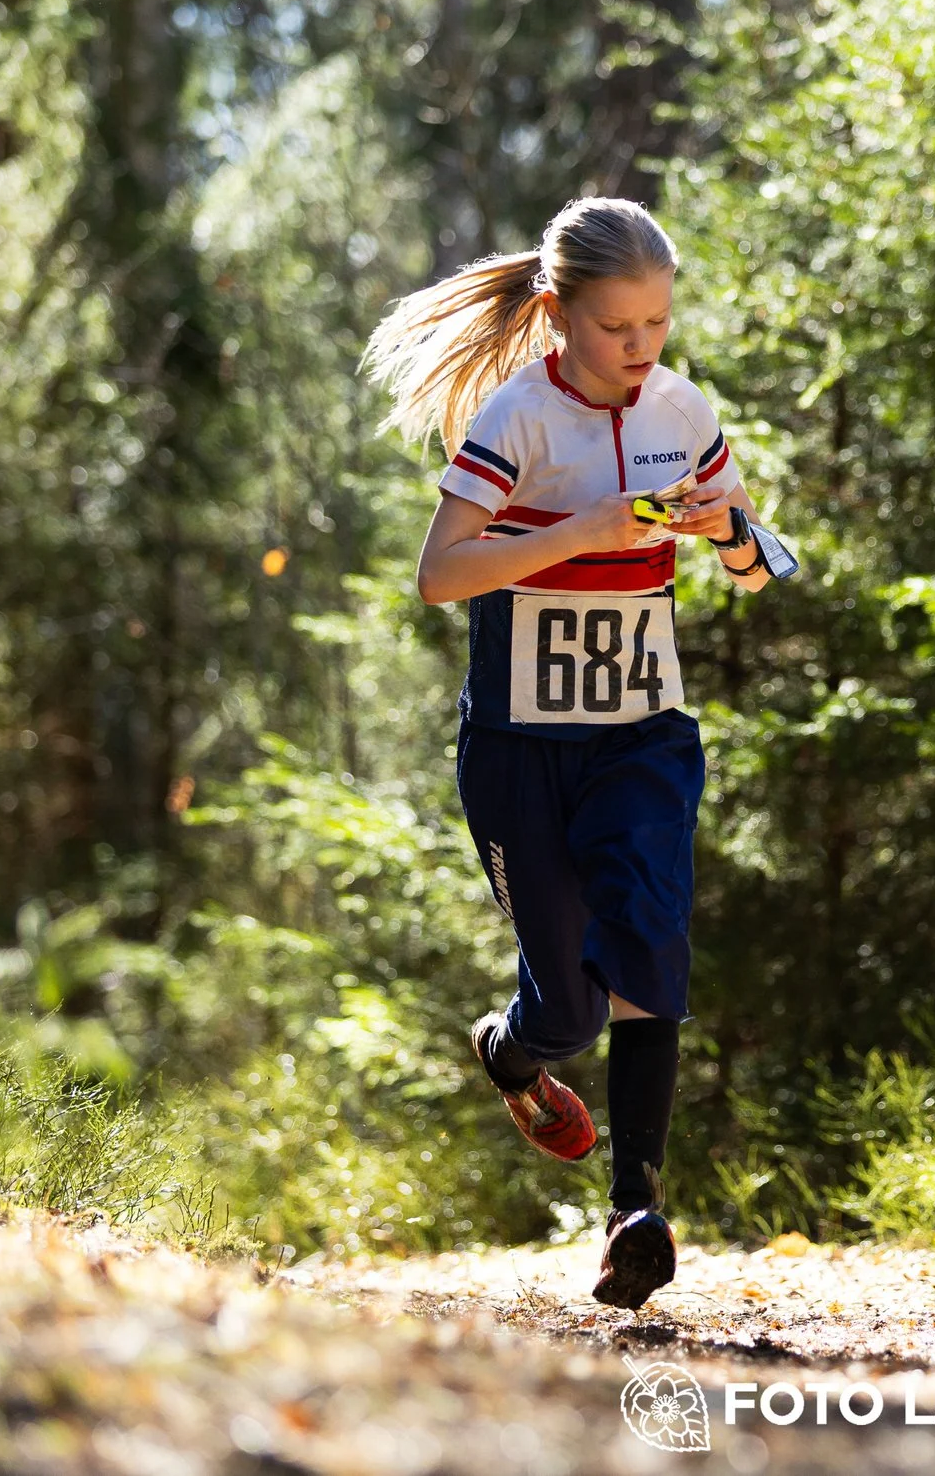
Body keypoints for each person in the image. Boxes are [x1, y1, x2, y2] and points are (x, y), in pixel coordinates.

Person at [362, 197, 777, 1309]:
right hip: (519, 743)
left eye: (657, 323)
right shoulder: (519, 419)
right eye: (615, 326)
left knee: (647, 943)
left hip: (642, 730)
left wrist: (726, 530)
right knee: (568, 1012)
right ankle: (513, 1052)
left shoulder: (681, 409)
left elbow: (754, 562)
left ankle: (635, 1210)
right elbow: (439, 574)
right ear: (557, 313)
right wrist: (577, 532)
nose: (641, 346)